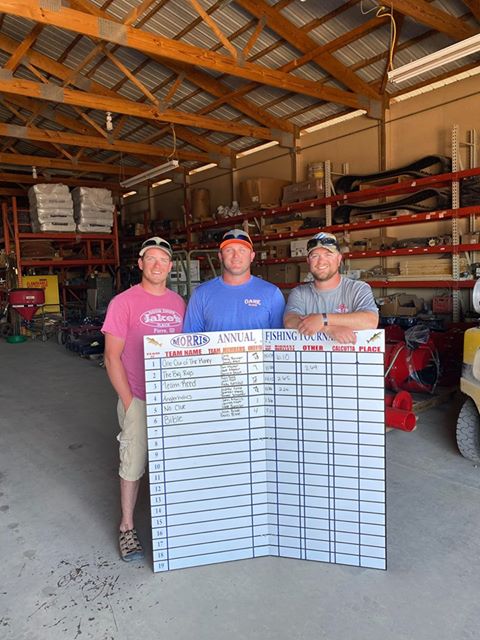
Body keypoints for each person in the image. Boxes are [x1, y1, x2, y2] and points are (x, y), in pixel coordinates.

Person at [102, 237, 186, 562]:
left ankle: (175, 524)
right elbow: (112, 357)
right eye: (150, 258)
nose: (156, 264)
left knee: (173, 463)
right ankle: (127, 527)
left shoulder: (178, 303)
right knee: (133, 463)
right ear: (140, 264)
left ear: (170, 266)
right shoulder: (123, 302)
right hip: (138, 398)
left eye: (163, 259)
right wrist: (129, 401)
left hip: (172, 399)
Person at [183, 228, 285, 332]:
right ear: (220, 256)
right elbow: (191, 338)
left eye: (242, 250)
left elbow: (280, 338)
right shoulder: (201, 294)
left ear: (252, 256)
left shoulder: (272, 294)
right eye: (229, 250)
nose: (236, 256)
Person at [284, 231, 378, 342]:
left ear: (339, 259)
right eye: (315, 256)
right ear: (308, 261)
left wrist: (323, 319)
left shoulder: (358, 289)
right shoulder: (299, 293)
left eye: (328, 255)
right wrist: (327, 329)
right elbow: (290, 321)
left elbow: (371, 321)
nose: (321, 262)